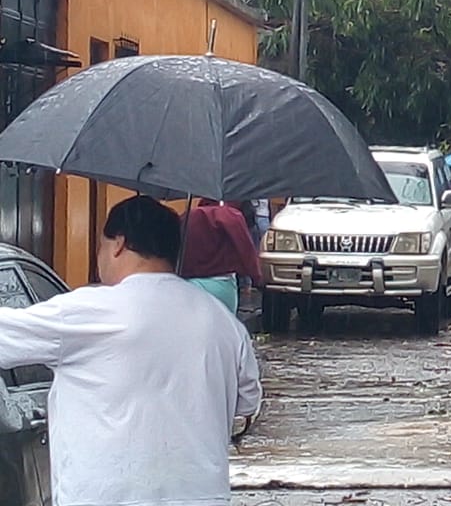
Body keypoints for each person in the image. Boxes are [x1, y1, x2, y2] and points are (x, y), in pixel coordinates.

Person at [0, 195, 262, 506]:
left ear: (119, 244)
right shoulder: (224, 323)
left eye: (101, 245)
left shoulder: (90, 312)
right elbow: (247, 403)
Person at [181, 198, 263, 314]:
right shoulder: (231, 216)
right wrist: (256, 278)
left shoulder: (186, 217)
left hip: (189, 284)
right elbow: (245, 250)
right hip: (222, 283)